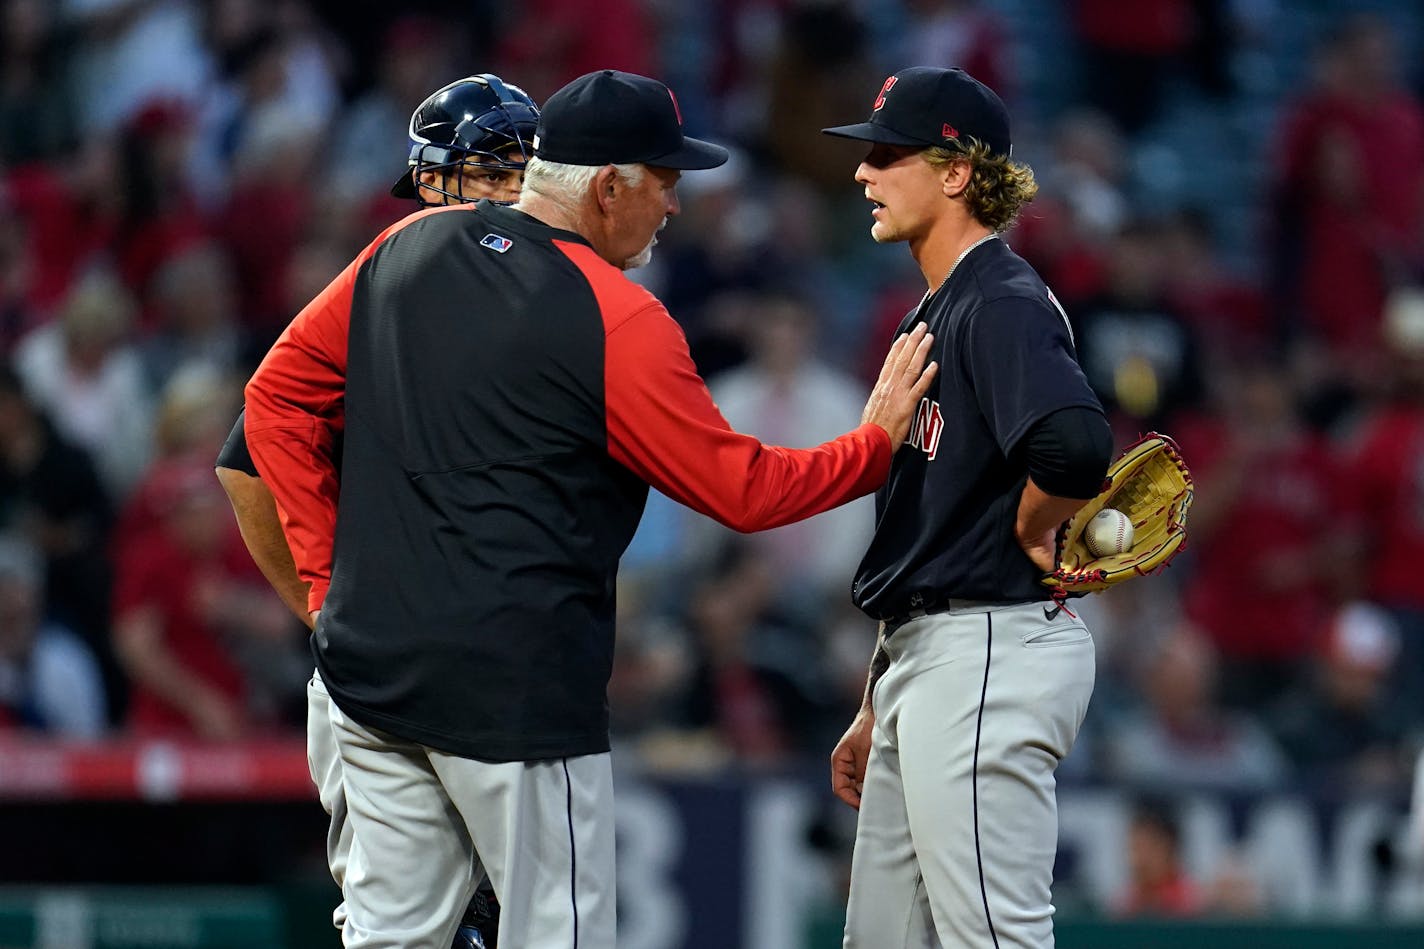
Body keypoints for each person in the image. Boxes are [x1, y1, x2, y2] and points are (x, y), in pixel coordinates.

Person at [243, 68, 936, 949]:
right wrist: (872, 445)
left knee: (390, 939)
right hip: (517, 692)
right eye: (667, 181)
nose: (676, 205)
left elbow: (272, 403)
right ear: (609, 187)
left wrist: (323, 584)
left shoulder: (405, 247)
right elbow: (746, 490)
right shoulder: (618, 314)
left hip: (368, 674)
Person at [215, 73, 539, 949]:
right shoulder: (386, 290)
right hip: (381, 661)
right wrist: (323, 604)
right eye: (492, 168)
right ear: (433, 180)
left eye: (525, 167)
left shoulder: (535, 298)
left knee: (501, 920)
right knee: (403, 932)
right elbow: (245, 462)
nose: (513, 187)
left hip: (482, 655)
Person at [821, 66, 1114, 948]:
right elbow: (929, 517)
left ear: (956, 172)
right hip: (934, 652)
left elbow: (1076, 446)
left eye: (887, 153)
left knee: (993, 936)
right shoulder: (942, 306)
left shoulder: (999, 297)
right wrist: (881, 693)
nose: (863, 173)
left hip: (990, 645)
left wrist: (1031, 524)